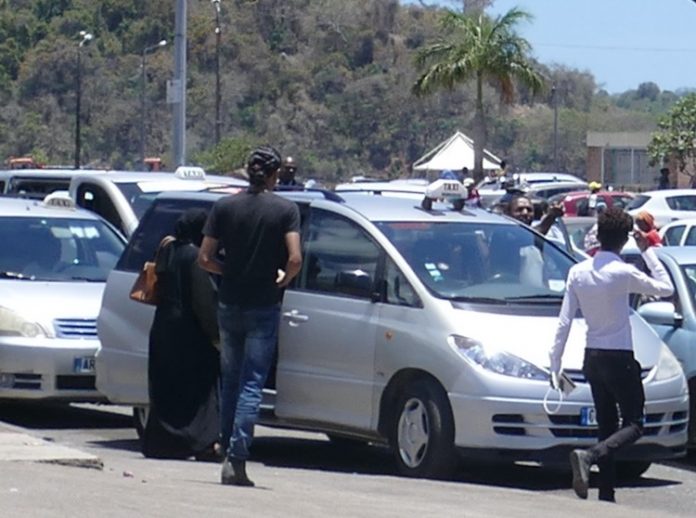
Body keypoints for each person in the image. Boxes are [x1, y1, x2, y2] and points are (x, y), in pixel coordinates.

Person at [549, 207, 674, 503]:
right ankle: (589, 457)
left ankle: (606, 494)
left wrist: (555, 363)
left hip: (592, 356)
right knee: (635, 424)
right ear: (623, 240)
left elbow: (564, 320)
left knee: (606, 427)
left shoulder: (578, 271)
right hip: (619, 356)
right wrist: (648, 252)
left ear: (599, 236)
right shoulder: (622, 271)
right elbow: (666, 288)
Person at [198, 145, 302, 487]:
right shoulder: (285, 210)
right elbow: (295, 258)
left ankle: (226, 448)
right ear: (274, 175)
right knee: (252, 382)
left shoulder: (225, 207)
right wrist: (282, 279)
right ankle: (238, 456)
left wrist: (226, 271)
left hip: (229, 301)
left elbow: (205, 258)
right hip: (263, 304)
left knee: (230, 379)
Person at [143, 208, 221, 461]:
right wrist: (215, 335)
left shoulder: (168, 250)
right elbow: (202, 301)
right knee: (196, 389)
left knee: (167, 387)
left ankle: (163, 442)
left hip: (164, 326)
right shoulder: (195, 257)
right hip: (188, 332)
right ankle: (199, 442)